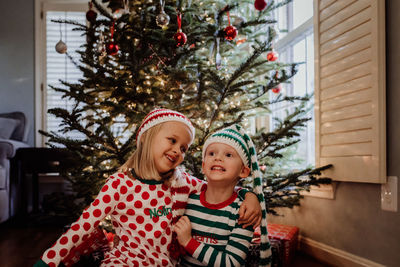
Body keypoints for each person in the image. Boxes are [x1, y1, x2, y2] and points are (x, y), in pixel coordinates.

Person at [34, 109, 261, 267]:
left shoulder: (181, 181)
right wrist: (47, 261)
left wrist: (249, 195)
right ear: (146, 139)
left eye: (184, 148)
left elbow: (215, 186)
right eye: (172, 140)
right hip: (123, 262)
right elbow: (82, 226)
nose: (177, 151)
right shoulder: (119, 184)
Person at [174, 124, 272, 267]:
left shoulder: (243, 212)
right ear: (203, 166)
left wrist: (189, 242)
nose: (218, 158)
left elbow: (232, 263)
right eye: (211, 153)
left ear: (244, 171)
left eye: (228, 155)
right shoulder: (189, 198)